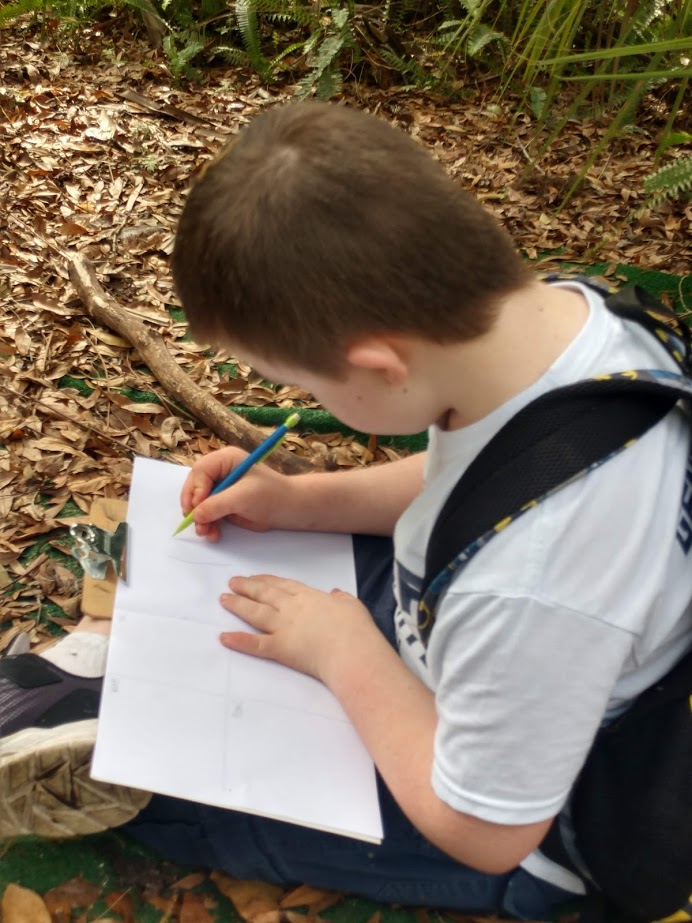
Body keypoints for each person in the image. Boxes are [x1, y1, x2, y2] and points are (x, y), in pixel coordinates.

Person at [2, 101, 691, 920]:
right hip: (488, 642)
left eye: (302, 386)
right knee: (263, 595)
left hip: (527, 815)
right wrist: (299, 500)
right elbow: (483, 485)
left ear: (378, 367)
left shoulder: (534, 579)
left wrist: (348, 657)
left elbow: (485, 825)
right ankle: (114, 672)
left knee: (222, 794)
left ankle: (144, 771)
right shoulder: (575, 323)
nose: (299, 400)